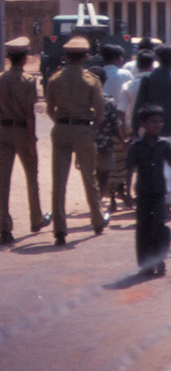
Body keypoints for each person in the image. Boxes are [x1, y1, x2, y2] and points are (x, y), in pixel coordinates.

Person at [46, 35, 109, 245]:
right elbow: (100, 112)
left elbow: (50, 110)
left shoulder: (55, 79)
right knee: (89, 178)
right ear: (86, 57)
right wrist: (90, 124)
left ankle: (60, 230)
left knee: (59, 180)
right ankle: (97, 219)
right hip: (83, 130)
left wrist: (63, 121)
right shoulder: (91, 80)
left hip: (62, 128)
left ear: (65, 56)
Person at [126, 105, 171, 276]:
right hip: (143, 192)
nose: (158, 124)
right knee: (143, 228)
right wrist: (127, 193)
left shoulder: (164, 145)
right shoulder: (136, 146)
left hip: (159, 191)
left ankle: (159, 259)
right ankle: (146, 264)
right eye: (153, 121)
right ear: (144, 124)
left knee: (159, 226)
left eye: (160, 121)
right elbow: (129, 170)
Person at [0, 37, 50, 244]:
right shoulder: (29, 81)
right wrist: (32, 141)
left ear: (9, 57)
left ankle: (4, 227)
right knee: (31, 176)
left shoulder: (1, 79)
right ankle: (36, 218)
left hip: (3, 130)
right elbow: (30, 114)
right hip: (22, 131)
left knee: (2, 182)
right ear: (24, 58)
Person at [132, 45, 171, 205]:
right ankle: (167, 201)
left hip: (152, 129)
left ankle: (156, 199)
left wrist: (135, 128)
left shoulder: (148, 79)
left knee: (154, 165)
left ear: (156, 59)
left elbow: (140, 105)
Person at [90, 67, 127, 214]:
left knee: (93, 174)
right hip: (105, 144)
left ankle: (96, 200)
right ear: (104, 81)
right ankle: (97, 201)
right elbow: (115, 125)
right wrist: (123, 142)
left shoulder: (84, 101)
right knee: (104, 174)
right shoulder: (108, 101)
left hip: (87, 143)